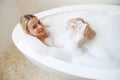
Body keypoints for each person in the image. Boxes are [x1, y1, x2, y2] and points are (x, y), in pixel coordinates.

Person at [20, 14, 96, 47]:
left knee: (78, 20)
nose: (40, 26)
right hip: (67, 44)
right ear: (28, 32)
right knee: (85, 33)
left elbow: (58, 25)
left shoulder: (45, 26)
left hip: (64, 36)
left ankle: (92, 37)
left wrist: (71, 23)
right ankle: (92, 39)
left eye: (39, 22)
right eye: (34, 27)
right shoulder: (40, 43)